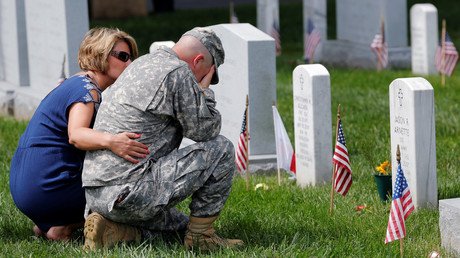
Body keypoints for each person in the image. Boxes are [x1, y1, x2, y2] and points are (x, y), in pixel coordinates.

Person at [82, 27, 243, 251]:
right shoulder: (178, 72)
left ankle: (115, 231)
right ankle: (201, 238)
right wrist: (204, 93)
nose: (201, 80)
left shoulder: (141, 63)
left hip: (96, 195)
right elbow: (206, 131)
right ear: (198, 61)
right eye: (206, 74)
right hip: (130, 192)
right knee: (222, 149)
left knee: (179, 226)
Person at [9, 27, 150, 241]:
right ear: (100, 54)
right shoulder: (87, 91)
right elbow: (76, 135)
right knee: (125, 197)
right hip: (49, 188)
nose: (129, 64)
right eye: (123, 56)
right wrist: (113, 142)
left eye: (131, 58)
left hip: (26, 189)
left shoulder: (75, 82)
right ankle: (61, 227)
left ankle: (50, 222)